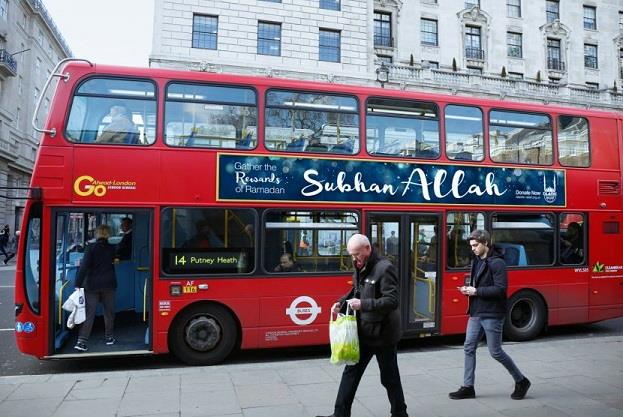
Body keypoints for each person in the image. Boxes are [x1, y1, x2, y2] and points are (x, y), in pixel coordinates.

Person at [317, 234, 408, 417]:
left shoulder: (385, 268)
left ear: (367, 248)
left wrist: (364, 304)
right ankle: (339, 414)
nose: (354, 258)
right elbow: (356, 290)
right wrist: (341, 302)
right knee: (350, 373)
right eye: (351, 254)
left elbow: (392, 301)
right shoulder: (360, 265)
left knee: (389, 378)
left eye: (357, 254)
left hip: (384, 335)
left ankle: (400, 413)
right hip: (364, 331)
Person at [449, 229, 531, 400]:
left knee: (495, 352)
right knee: (469, 347)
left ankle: (521, 380)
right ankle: (468, 387)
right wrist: (468, 290)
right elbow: (476, 284)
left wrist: (476, 291)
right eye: (471, 246)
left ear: (485, 243)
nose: (473, 249)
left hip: (493, 314)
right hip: (476, 312)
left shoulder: (497, 263)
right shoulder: (477, 261)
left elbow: (501, 290)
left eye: (475, 245)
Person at [74, 224, 118, 352]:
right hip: (108, 284)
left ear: (97, 234)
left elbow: (84, 267)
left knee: (89, 313)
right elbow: (114, 261)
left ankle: (82, 341)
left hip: (92, 285)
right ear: (108, 234)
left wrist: (77, 284)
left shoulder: (91, 247)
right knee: (109, 312)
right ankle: (109, 338)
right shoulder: (112, 248)